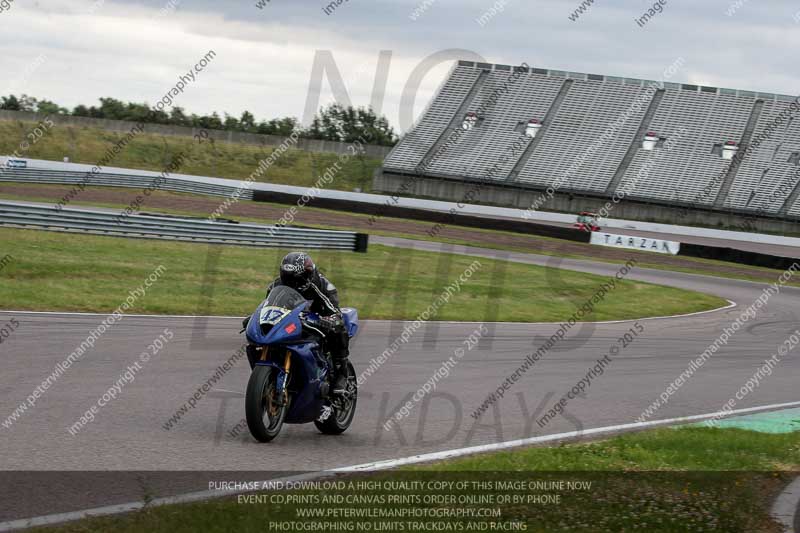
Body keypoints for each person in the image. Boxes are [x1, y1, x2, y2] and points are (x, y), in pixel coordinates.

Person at [245, 252, 350, 394]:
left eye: (295, 279)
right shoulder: (275, 286)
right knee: (257, 344)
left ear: (306, 276)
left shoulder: (321, 286)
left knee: (338, 327)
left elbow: (335, 313)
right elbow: (269, 307)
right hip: (293, 320)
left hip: (318, 318)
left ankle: (341, 371)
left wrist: (330, 320)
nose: (292, 283)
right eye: (287, 278)